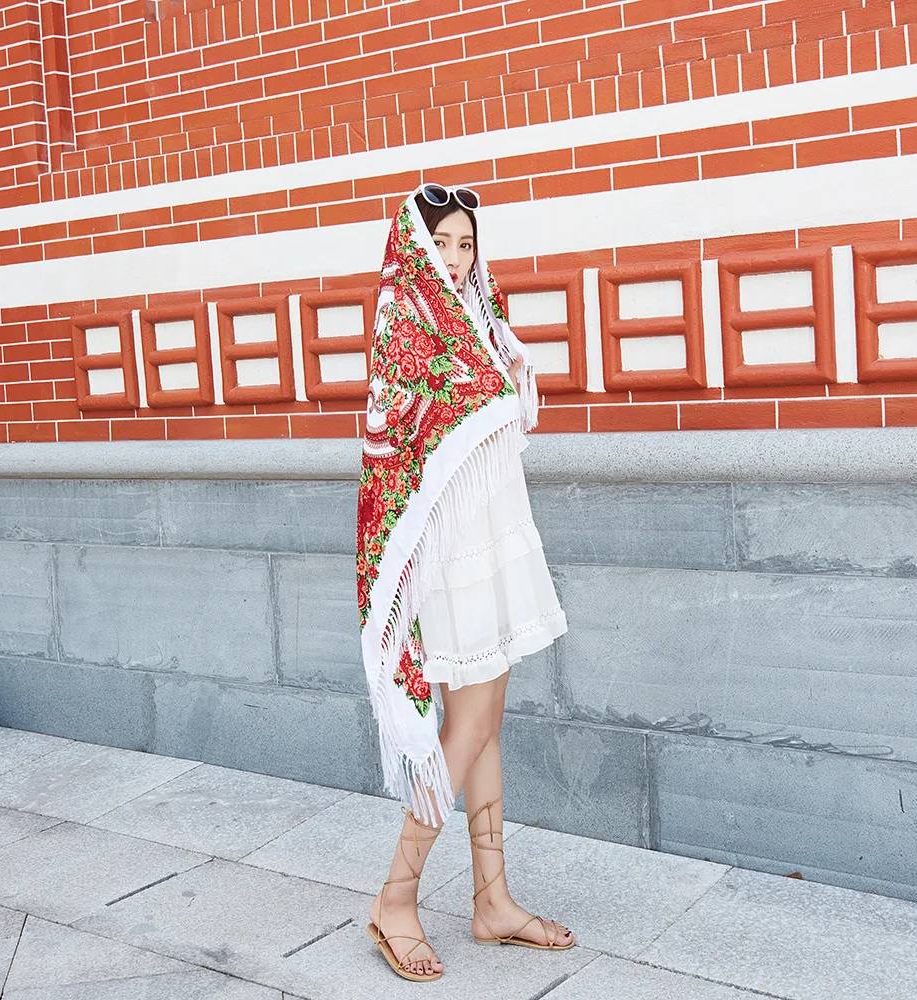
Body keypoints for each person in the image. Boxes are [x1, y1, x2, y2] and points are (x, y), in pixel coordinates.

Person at [356, 182, 574, 982]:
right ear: (415, 249)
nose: (454, 258)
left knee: (487, 720)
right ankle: (396, 896)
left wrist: (503, 362)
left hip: (493, 538)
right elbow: (414, 436)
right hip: (450, 554)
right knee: (470, 721)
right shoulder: (405, 322)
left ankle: (492, 899)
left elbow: (499, 403)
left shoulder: (480, 318)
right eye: (440, 243)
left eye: (465, 243)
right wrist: (494, 381)